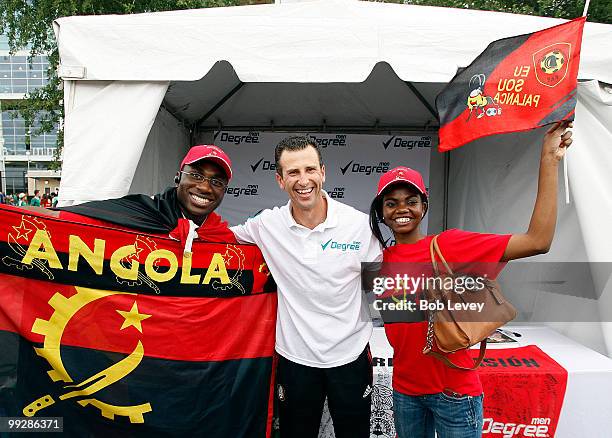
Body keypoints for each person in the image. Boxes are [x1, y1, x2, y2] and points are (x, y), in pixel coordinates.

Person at [368, 122, 573, 438]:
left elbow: (537, 240)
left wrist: (548, 160)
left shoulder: (450, 245)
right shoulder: (378, 260)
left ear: (424, 205)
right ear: (381, 212)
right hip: (405, 392)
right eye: (391, 202)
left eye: (411, 200)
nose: (401, 209)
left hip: (454, 393)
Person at [231, 136, 382, 438]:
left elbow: (385, 286)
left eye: (310, 170)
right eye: (293, 172)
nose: (303, 181)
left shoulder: (359, 225)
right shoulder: (266, 225)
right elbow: (216, 239)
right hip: (295, 359)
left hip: (350, 358)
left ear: (323, 172)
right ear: (279, 179)